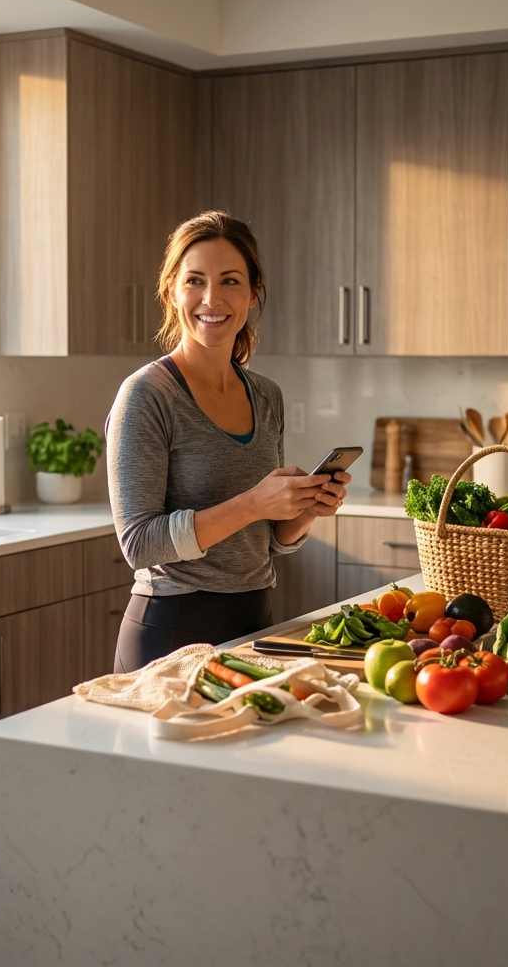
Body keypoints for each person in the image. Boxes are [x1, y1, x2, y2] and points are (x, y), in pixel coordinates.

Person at [105, 211, 350, 672]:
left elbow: (269, 542)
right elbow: (139, 542)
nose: (211, 298)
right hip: (170, 631)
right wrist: (255, 503)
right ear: (172, 290)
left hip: (254, 626)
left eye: (230, 281)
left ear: (253, 293)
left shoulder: (265, 395)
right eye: (195, 280)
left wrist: (304, 512)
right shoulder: (146, 395)